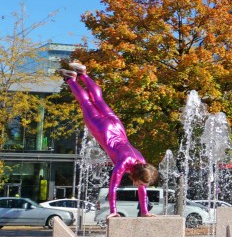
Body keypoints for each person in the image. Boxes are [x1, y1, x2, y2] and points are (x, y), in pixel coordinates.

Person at [58, 62, 158, 219]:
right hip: (103, 130)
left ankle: (83, 74)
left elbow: (142, 190)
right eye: (140, 184)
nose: (140, 187)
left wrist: (145, 212)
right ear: (138, 176)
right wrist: (113, 211)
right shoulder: (124, 163)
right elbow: (113, 187)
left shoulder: (142, 162)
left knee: (98, 100)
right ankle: (71, 79)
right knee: (86, 103)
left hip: (117, 126)